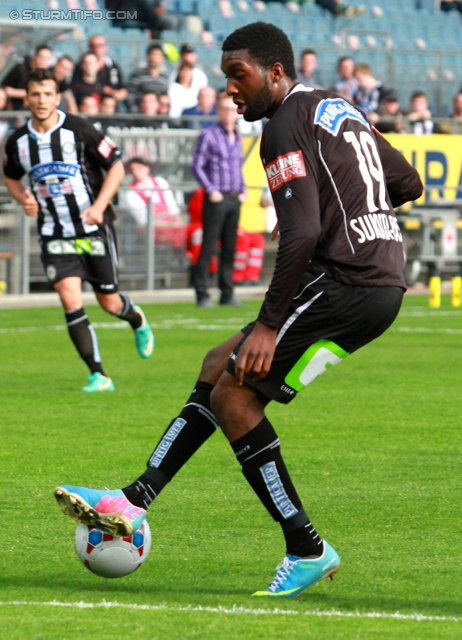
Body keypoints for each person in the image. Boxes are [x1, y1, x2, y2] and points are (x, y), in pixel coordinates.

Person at [53, 22, 423, 597]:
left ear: (276, 72)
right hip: (376, 280)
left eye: (239, 75)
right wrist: (348, 210)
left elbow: (299, 234)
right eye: (226, 77)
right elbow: (408, 180)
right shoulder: (337, 107)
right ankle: (133, 499)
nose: (231, 89)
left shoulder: (282, 127)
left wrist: (270, 324)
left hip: (347, 282)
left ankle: (306, 546)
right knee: (216, 362)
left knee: (234, 394)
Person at [3, 69, 154, 392]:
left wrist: (99, 206)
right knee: (70, 300)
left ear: (57, 97)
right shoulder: (18, 142)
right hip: (54, 233)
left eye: (47, 94)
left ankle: (136, 318)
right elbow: (11, 176)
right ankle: (98, 375)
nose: (41, 100)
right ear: (26, 98)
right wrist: (23, 197)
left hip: (93, 230)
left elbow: (116, 164)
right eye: (35, 94)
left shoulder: (79, 129)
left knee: (109, 303)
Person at [191, 92, 246, 307]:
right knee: (209, 246)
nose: (228, 114)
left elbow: (237, 166)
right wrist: (211, 189)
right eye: (224, 109)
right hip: (216, 198)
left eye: (232, 110)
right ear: (218, 111)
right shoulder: (209, 135)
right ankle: (202, 293)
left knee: (230, 247)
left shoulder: (238, 135)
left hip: (234, 197)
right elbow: (197, 166)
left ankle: (227, 292)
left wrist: (243, 188)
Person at [124, 156, 185, 247]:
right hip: (151, 231)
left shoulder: (160, 182)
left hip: (170, 226)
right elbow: (144, 221)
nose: (136, 172)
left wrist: (178, 222)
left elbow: (172, 207)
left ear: (147, 168)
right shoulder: (131, 192)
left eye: (139, 168)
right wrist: (170, 225)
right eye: (133, 170)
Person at [2, 44, 53, 110]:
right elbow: (4, 89)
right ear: (35, 57)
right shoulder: (20, 69)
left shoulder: (47, 74)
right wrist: (29, 93)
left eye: (47, 58)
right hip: (14, 110)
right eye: (41, 57)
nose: (44, 61)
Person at [127, 44, 170, 113]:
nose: (154, 57)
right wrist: (136, 113)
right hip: (140, 117)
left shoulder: (164, 79)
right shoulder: (138, 75)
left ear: (163, 58)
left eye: (157, 55)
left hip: (158, 118)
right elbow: (130, 96)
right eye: (152, 54)